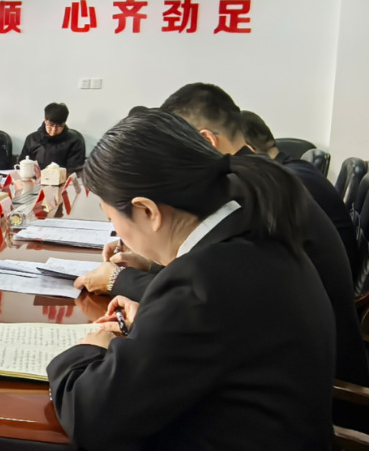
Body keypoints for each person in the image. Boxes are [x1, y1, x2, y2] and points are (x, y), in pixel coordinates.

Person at [48, 108, 334, 450]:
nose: (118, 233)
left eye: (113, 220)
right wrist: (156, 321)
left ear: (148, 211)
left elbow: (91, 419)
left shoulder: (201, 282)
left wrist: (91, 346)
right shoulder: (257, 227)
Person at [75, 82, 369, 391]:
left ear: (205, 141)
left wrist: (119, 280)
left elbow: (213, 293)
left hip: (326, 386)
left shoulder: (264, 198)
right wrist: (151, 265)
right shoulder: (257, 184)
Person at [241, 110, 359, 280]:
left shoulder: (286, 184)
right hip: (333, 276)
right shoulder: (298, 168)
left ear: (248, 150)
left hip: (329, 285)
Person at [17, 102, 85, 170]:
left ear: (64, 123)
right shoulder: (32, 139)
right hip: (34, 176)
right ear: (45, 120)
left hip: (62, 176)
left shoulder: (74, 141)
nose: (54, 130)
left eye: (59, 126)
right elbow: (22, 165)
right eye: (51, 125)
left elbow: (74, 169)